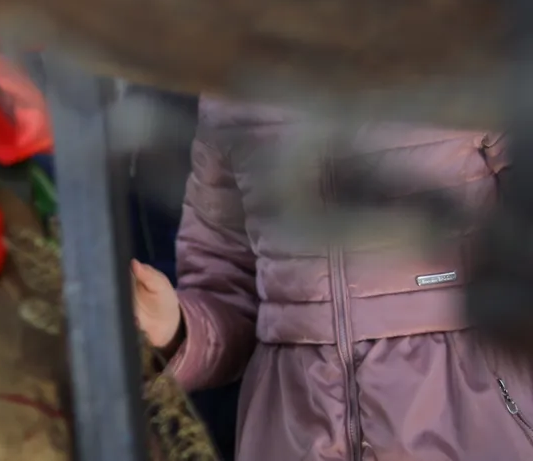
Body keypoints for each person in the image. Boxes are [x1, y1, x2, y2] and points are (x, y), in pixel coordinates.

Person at [131, 100, 530, 461]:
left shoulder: (478, 43)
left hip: (474, 429)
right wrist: (175, 327)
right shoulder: (232, 92)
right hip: (290, 437)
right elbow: (230, 289)